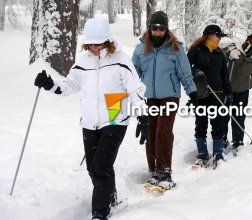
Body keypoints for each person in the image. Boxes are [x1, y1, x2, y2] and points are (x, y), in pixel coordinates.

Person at [34, 18, 147, 220]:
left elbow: (136, 90)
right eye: (91, 43)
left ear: (108, 41)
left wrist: (142, 117)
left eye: (99, 43)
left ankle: (99, 213)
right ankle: (111, 199)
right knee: (93, 167)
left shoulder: (120, 59)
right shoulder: (83, 61)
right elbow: (69, 86)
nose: (94, 47)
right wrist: (50, 83)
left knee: (100, 167)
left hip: (115, 117)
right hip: (89, 121)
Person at [132, 11, 197, 190]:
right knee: (150, 133)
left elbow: (185, 73)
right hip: (148, 98)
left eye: (162, 28)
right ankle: (154, 171)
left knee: (164, 131)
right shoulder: (140, 49)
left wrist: (192, 93)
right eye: (155, 28)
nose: (158, 31)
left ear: (166, 29)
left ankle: (165, 171)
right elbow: (132, 75)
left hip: (169, 96)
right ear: (150, 28)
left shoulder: (175, 48)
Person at [187, 24, 232, 168]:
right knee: (201, 123)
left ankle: (218, 154)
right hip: (201, 94)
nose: (219, 39)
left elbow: (224, 75)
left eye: (220, 36)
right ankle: (202, 154)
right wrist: (196, 73)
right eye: (218, 35)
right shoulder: (196, 50)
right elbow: (186, 69)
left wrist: (229, 93)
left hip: (218, 94)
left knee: (218, 124)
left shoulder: (220, 53)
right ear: (209, 35)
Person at [223, 31, 252, 154]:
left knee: (239, 117)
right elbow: (218, 59)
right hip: (226, 90)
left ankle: (238, 142)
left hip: (242, 92)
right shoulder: (233, 48)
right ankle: (221, 140)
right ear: (247, 39)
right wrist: (229, 54)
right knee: (223, 117)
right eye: (251, 41)